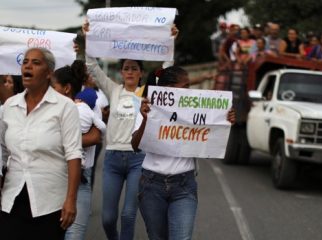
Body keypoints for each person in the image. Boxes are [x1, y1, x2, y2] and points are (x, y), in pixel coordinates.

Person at [131, 66, 236, 240]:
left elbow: (210, 133)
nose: (189, 91)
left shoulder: (194, 110)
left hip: (184, 186)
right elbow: (135, 145)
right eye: (185, 86)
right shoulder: (149, 107)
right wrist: (145, 120)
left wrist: (224, 120)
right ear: (170, 88)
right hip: (151, 185)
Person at [0, 47, 82, 239]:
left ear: (49, 73)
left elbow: (74, 154)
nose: (28, 66)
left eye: (36, 63)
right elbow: (2, 150)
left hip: (50, 202)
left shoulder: (65, 106)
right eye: (25, 62)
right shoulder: (10, 106)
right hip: (12, 197)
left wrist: (71, 200)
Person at [80, 21, 148, 240]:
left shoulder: (147, 92)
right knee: (108, 219)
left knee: (129, 214)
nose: (129, 72)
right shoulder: (113, 89)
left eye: (134, 68)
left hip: (138, 159)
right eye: (126, 68)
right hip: (113, 160)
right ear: (121, 72)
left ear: (141, 73)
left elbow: (167, 72)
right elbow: (92, 66)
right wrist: (88, 38)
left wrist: (171, 39)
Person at [50, 62, 106, 240]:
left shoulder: (87, 105)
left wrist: (57, 140)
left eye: (52, 87)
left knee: (73, 236)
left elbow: (95, 137)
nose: (48, 91)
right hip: (50, 180)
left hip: (80, 180)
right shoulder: (46, 108)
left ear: (66, 88)